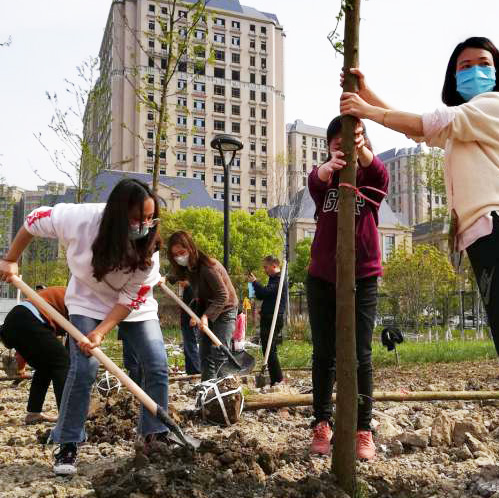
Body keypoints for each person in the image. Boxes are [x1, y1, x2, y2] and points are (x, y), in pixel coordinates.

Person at [340, 36, 499, 498]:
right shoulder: (469, 123)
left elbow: (429, 122)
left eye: (482, 62)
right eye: (464, 64)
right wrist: (371, 97)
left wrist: (365, 110)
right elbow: (421, 131)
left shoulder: (494, 107)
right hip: (488, 239)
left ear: (497, 70)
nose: (473, 69)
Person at [0, 178, 170, 476]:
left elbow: (129, 299)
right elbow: (32, 220)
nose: (143, 225)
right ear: (116, 215)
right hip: (86, 301)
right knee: (83, 368)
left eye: (149, 218)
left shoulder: (149, 250)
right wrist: (10, 258)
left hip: (133, 307)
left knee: (156, 364)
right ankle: (68, 442)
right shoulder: (79, 220)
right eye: (136, 219)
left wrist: (101, 332)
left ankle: (155, 435)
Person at [306, 116, 388, 461]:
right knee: (324, 353)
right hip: (322, 276)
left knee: (360, 355)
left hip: (363, 275)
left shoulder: (370, 177)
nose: (344, 147)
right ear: (328, 147)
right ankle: (322, 422)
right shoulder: (324, 181)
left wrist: (362, 152)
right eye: (336, 143)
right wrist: (329, 167)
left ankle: (362, 428)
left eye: (351, 140)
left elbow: (381, 175)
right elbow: (315, 179)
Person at [166, 231, 238, 381]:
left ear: (191, 248)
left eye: (182, 252)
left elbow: (223, 296)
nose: (179, 257)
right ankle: (208, 391)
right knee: (204, 353)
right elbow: (180, 275)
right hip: (208, 308)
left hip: (225, 309)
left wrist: (205, 317)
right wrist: (165, 279)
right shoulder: (189, 267)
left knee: (218, 351)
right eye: (175, 255)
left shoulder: (208, 267)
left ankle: (226, 390)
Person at [0, 286, 69, 424]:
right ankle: (67, 417)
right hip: (30, 318)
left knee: (45, 367)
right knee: (62, 363)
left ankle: (33, 413)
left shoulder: (73, 294)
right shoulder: (84, 300)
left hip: (16, 319)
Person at [248, 255, 288, 386]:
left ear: (274, 265)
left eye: (266, 267)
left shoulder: (279, 280)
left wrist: (255, 283)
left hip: (273, 318)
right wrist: (255, 286)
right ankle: (275, 378)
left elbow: (266, 292)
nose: (264, 270)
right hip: (268, 317)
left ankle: (277, 379)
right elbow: (262, 295)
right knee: (267, 349)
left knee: (270, 350)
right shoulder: (272, 280)